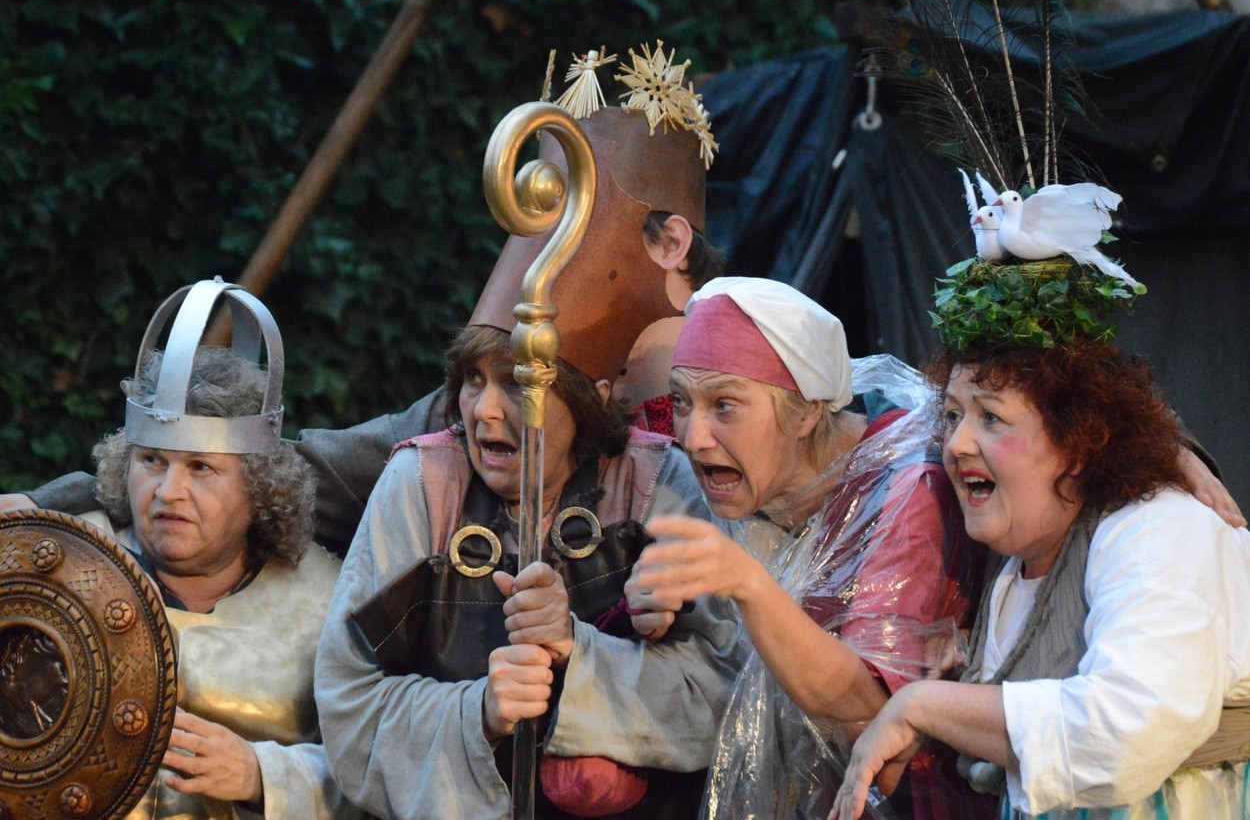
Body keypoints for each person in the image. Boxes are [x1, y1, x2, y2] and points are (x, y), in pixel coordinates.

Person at [3, 48, 726, 554]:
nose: (547, 265)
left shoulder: (759, 385)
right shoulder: (476, 411)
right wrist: (53, 502)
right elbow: (292, 469)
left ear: (669, 243)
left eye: (571, 231)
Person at [314, 52, 739, 820]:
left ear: (584, 394)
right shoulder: (424, 483)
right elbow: (349, 702)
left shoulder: (659, 483)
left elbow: (724, 690)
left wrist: (579, 650)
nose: (483, 411)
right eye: (471, 381)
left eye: (516, 383)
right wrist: (478, 710)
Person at [832, 256, 1250, 820]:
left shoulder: (1161, 531)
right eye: (952, 416)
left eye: (991, 418)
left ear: (1076, 442)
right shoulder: (1018, 559)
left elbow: (1125, 732)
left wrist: (923, 706)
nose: (956, 444)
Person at [576, 276, 989, 820]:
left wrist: (745, 584)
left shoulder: (908, 490)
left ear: (807, 412)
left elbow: (870, 708)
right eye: (680, 401)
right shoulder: (752, 493)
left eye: (725, 405)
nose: (693, 437)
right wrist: (671, 614)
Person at [80, 278, 361, 820]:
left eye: (201, 468)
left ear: (258, 488)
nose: (168, 492)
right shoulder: (64, 565)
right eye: (152, 461)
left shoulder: (332, 604)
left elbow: (380, 771)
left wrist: (263, 774)